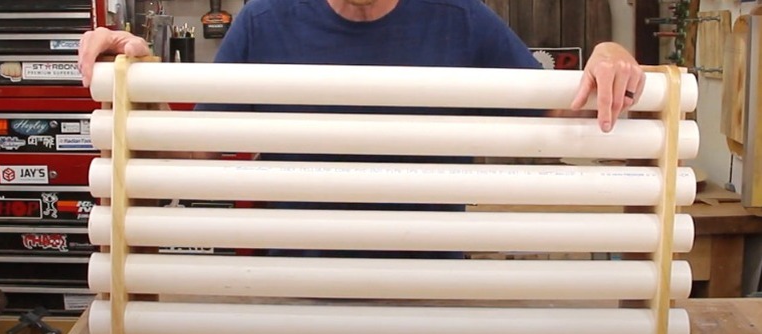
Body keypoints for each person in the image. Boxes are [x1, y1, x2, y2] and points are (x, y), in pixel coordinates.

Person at [78, 0, 645, 258]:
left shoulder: (461, 19)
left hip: (433, 285)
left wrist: (611, 56)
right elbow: (192, 160)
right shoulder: (267, 20)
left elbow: (563, 117)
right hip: (294, 286)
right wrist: (137, 72)